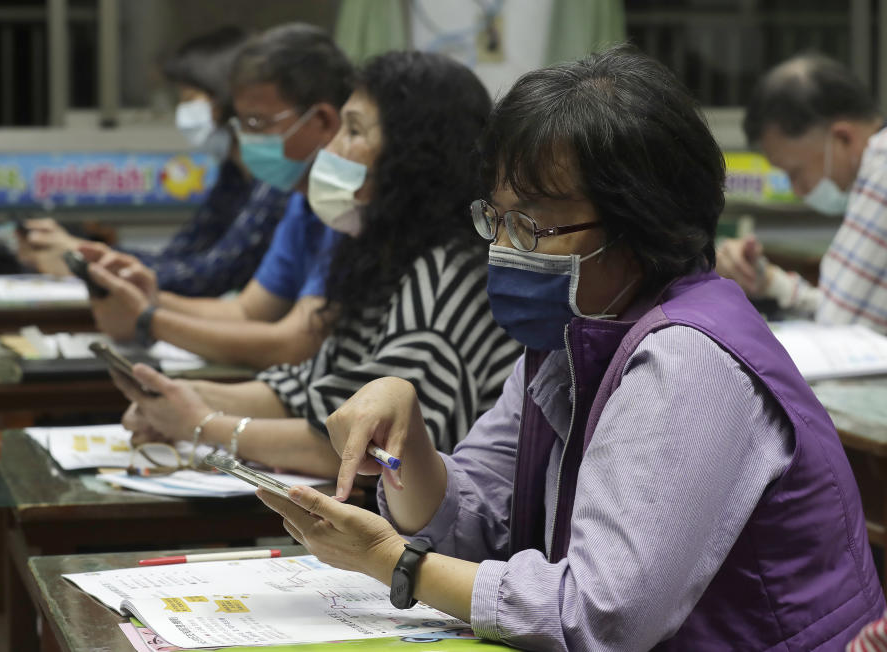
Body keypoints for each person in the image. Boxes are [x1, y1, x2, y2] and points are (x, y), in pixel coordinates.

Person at [255, 46, 885, 650]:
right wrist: (410, 438)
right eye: (495, 218)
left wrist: (393, 563)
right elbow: (475, 521)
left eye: (533, 224)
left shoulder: (685, 359)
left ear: (640, 224)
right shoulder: (573, 332)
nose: (503, 247)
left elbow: (601, 617)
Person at [110, 51, 521, 479]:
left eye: (354, 130)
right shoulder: (382, 254)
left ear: (416, 157)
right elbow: (312, 387)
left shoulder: (446, 275)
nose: (333, 147)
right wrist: (190, 395)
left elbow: (366, 449)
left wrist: (202, 425)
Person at [83, 23, 352, 368]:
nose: (246, 138)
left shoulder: (348, 205)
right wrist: (149, 299)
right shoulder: (303, 200)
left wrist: (149, 318)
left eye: (257, 123)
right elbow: (246, 311)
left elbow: (294, 343)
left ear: (323, 122)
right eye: (241, 123)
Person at [18, 26, 291, 297]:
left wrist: (87, 259)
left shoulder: (276, 178)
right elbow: (178, 256)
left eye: (189, 99)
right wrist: (82, 251)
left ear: (228, 98)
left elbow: (207, 277)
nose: (182, 113)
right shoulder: (233, 175)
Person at [717, 54, 887, 332]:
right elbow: (840, 308)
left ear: (843, 138)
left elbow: (841, 331)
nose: (796, 190)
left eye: (795, 172)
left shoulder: (882, 165)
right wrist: (768, 282)